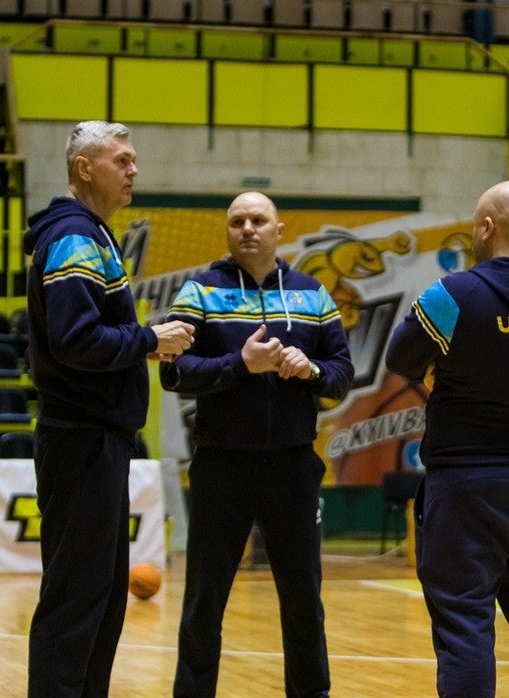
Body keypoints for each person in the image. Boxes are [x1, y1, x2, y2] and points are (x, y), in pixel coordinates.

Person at [384, 180, 509, 697]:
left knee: (465, 631)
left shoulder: (454, 294)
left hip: (468, 489)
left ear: (487, 228)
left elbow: (400, 358)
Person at [23, 120, 196, 698]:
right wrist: (149, 339)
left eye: (133, 160)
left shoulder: (92, 235)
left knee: (97, 597)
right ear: (83, 168)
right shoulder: (75, 237)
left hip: (96, 439)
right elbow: (75, 340)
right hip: (82, 439)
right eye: (121, 160)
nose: (133, 170)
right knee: (77, 598)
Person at [159, 191, 354, 698]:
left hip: (293, 467)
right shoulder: (200, 291)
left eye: (258, 220)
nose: (247, 228)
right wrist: (240, 365)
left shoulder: (313, 294)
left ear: (279, 231)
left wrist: (310, 371)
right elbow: (174, 372)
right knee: (204, 601)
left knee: (304, 601)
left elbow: (341, 374)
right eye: (237, 221)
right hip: (221, 467)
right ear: (227, 231)